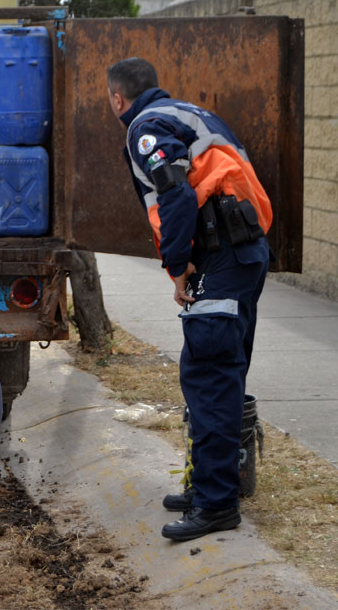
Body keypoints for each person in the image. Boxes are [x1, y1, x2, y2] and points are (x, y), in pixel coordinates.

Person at [106, 57, 272, 542]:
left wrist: (177, 267)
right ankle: (209, 485)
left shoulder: (145, 128)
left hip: (221, 257)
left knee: (209, 376)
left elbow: (175, 196)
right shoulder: (189, 113)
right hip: (243, 252)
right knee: (222, 370)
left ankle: (217, 504)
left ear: (118, 98)